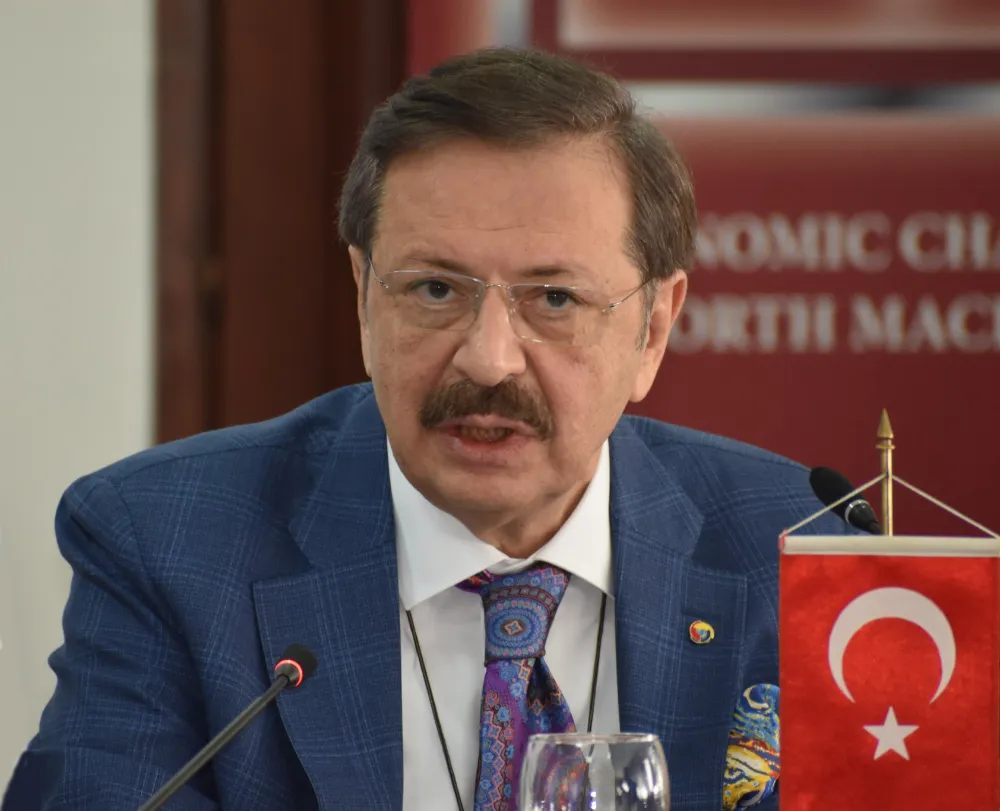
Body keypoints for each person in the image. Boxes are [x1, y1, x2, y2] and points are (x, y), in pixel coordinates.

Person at [4, 48, 848, 811]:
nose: (489, 360)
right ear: (364, 297)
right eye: (435, 290)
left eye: (555, 299)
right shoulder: (171, 545)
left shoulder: (800, 556)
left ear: (653, 328)